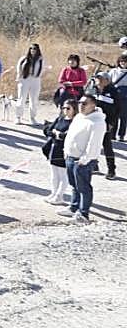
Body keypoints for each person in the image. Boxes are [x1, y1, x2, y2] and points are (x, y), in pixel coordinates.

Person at [64, 94, 106, 222]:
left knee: (84, 187)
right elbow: (70, 135)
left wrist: (85, 159)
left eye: (84, 103)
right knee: (74, 185)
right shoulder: (79, 117)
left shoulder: (98, 122)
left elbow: (94, 144)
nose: (81, 106)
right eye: (80, 103)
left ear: (93, 105)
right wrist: (66, 151)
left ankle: (83, 214)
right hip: (71, 156)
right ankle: (74, 207)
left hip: (83, 161)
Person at [42, 101, 76, 205]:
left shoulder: (75, 122)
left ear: (74, 109)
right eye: (64, 108)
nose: (65, 110)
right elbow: (48, 130)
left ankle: (59, 196)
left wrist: (57, 134)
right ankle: (53, 193)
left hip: (64, 150)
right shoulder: (60, 119)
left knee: (63, 175)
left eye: (68, 108)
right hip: (54, 148)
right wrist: (55, 134)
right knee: (54, 174)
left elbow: (69, 136)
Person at [88, 72, 119, 179]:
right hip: (92, 121)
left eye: (101, 79)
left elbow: (117, 110)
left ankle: (111, 170)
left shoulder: (113, 91)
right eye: (97, 79)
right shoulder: (91, 90)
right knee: (92, 144)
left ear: (107, 80)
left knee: (107, 146)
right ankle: (94, 165)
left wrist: (111, 124)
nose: (98, 81)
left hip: (106, 123)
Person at [14, 43, 44, 125]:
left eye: (34, 49)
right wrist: (19, 78)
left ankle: (32, 117)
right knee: (21, 98)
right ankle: (18, 117)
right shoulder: (24, 58)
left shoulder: (40, 60)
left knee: (34, 99)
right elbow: (19, 68)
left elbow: (42, 70)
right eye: (31, 48)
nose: (33, 50)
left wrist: (36, 76)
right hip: (24, 79)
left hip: (35, 80)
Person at [107, 53, 127, 141]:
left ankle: (121, 135)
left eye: (125, 62)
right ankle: (112, 134)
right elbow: (109, 82)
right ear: (119, 62)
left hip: (125, 97)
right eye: (122, 61)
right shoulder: (113, 71)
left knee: (124, 117)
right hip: (114, 96)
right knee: (114, 115)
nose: (123, 63)